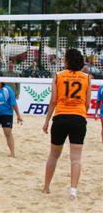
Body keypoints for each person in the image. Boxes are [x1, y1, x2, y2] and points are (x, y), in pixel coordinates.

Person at [42, 49, 92, 200]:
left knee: (53, 155)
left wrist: (46, 121)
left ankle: (46, 187)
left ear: (67, 61)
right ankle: (73, 192)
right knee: (76, 158)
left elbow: (53, 101)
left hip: (61, 117)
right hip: (78, 118)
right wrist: (81, 114)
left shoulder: (58, 76)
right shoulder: (87, 78)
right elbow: (88, 103)